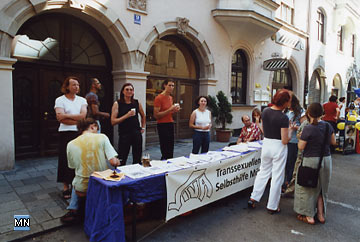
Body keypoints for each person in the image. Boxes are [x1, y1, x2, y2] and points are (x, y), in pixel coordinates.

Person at [61, 118, 120, 223]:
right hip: (100, 184)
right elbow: (113, 162)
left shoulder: (70, 144)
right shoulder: (102, 137)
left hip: (81, 188)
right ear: (93, 126)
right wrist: (117, 160)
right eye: (97, 128)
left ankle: (74, 209)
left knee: (77, 177)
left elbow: (72, 166)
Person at [248, 89, 295, 214]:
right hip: (278, 146)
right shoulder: (283, 117)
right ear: (284, 102)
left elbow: (263, 129)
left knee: (263, 172)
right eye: (289, 101)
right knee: (277, 177)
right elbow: (285, 140)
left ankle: (254, 197)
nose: (289, 103)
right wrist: (291, 130)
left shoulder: (265, 111)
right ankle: (272, 206)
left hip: (267, 144)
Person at [294, 103, 336, 225]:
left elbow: (301, 147)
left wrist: (303, 138)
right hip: (326, 159)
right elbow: (333, 142)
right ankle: (321, 215)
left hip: (311, 160)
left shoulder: (308, 128)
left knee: (308, 188)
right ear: (322, 113)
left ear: (309, 113)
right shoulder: (328, 126)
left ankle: (309, 216)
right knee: (322, 188)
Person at [54, 76, 87, 200]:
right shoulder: (60, 100)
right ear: (67, 86)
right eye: (73, 84)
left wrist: (66, 116)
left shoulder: (82, 100)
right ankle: (65, 186)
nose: (76, 87)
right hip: (65, 133)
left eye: (78, 85)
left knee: (78, 158)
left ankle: (76, 184)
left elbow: (83, 116)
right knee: (65, 158)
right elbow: (59, 117)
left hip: (78, 133)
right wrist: (76, 118)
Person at [111, 83, 145, 165]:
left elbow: (143, 116)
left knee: (137, 158)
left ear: (133, 92)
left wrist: (143, 127)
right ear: (123, 91)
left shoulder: (137, 102)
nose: (129, 91)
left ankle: (137, 174)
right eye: (127, 89)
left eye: (131, 90)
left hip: (136, 132)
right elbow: (113, 121)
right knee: (122, 157)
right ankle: (121, 175)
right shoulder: (117, 104)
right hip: (124, 134)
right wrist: (127, 115)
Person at [153, 79, 180, 160]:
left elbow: (169, 112)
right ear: (165, 85)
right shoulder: (159, 98)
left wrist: (174, 110)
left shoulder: (170, 98)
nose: (171, 87)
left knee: (171, 146)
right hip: (162, 124)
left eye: (173, 86)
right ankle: (164, 162)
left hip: (170, 123)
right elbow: (156, 115)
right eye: (170, 85)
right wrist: (170, 109)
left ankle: (170, 162)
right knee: (165, 147)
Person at [284, 94, 304, 190]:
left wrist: (296, 127)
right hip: (287, 139)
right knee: (287, 162)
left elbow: (304, 127)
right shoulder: (286, 111)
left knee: (293, 162)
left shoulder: (301, 112)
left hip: (295, 141)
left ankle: (291, 183)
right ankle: (287, 181)